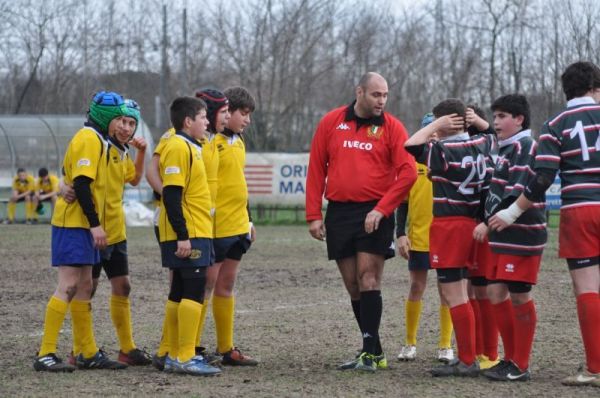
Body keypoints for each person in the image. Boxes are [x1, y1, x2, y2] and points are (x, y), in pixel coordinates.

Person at [489, 61, 600, 386]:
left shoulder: (557, 123)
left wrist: (510, 213)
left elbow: (542, 178)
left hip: (580, 210)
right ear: (594, 87)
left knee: (588, 289)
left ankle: (595, 368)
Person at [306, 72, 417, 372]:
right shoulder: (331, 122)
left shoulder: (393, 128)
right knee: (353, 285)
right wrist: (314, 214)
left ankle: (369, 353)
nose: (382, 100)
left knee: (369, 278)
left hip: (374, 212)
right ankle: (374, 350)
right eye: (376, 95)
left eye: (385, 95)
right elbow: (317, 166)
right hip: (339, 212)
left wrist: (382, 209)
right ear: (360, 92)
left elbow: (407, 173)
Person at [33, 91, 129, 372]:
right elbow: (83, 185)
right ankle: (45, 353)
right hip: (73, 224)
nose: (120, 125)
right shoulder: (89, 138)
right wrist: (95, 224)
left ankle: (87, 352)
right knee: (69, 285)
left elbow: (71, 175)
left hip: (83, 225)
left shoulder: (98, 140)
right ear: (104, 117)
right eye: (116, 119)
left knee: (85, 285)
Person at [404, 98, 495, 377]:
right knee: (475, 292)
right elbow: (492, 133)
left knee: (454, 293)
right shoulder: (485, 143)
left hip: (450, 225)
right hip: (477, 223)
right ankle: (481, 354)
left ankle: (466, 358)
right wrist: (477, 123)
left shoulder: (443, 148)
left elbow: (410, 145)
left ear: (445, 122)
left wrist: (436, 125)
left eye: (438, 121)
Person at [61, 99, 151, 366]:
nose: (127, 127)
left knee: (123, 286)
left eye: (132, 123)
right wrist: (61, 185)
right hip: (94, 231)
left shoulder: (122, 150)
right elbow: (75, 175)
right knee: (86, 289)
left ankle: (127, 349)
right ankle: (79, 350)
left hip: (116, 232)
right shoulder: (96, 143)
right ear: (112, 121)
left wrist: (142, 153)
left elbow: (133, 179)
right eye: (123, 121)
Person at [146, 89, 228, 370]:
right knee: (192, 290)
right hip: (188, 232)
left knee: (180, 291)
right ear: (187, 121)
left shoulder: (192, 146)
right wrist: (183, 235)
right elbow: (171, 194)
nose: (207, 122)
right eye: (203, 117)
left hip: (197, 229)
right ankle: (184, 356)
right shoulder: (178, 146)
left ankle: (172, 353)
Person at [472, 94, 546, 382]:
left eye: (503, 116)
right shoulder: (506, 147)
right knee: (495, 292)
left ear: (520, 119)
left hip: (523, 235)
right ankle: (511, 358)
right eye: (495, 116)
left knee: (519, 294)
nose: (496, 122)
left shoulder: (526, 146)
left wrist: (486, 225)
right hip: (505, 236)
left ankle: (521, 363)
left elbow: (515, 192)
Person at [194, 87, 258, 366]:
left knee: (227, 284)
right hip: (215, 227)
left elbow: (239, 184)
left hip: (237, 226)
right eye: (242, 114)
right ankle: (193, 346)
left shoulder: (239, 142)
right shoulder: (209, 143)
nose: (247, 120)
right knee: (205, 285)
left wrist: (249, 218)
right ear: (225, 113)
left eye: (248, 115)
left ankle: (226, 348)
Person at [395, 113, 454, 364]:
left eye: (437, 131)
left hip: (445, 237)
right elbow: (402, 203)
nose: (433, 135)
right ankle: (409, 343)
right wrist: (400, 233)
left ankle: (445, 345)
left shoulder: (451, 159)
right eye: (429, 130)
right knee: (416, 287)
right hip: (418, 237)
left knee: (446, 292)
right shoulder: (412, 163)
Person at [464, 105, 500, 370]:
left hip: (485, 225)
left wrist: (480, 121)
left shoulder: (492, 150)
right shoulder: (463, 150)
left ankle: (490, 353)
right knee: (473, 289)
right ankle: (476, 351)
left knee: (484, 289)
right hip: (468, 224)